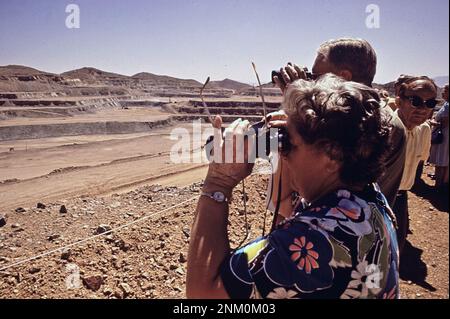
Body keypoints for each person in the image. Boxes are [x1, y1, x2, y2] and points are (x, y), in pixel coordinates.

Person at [186, 74, 399, 299]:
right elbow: (293, 206)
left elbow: (203, 295)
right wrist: (294, 128)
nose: (283, 154)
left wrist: (218, 182)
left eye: (290, 145)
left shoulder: (315, 239)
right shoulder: (369, 198)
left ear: (332, 155)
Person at [270, 38, 406, 222]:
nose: (312, 82)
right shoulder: (368, 116)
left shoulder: (378, 124)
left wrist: (300, 104)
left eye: (316, 76)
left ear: (343, 77)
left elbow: (313, 199)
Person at [391, 75, 438, 253]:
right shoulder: (385, 128)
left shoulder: (424, 130)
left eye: (430, 103)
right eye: (416, 101)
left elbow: (419, 162)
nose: (423, 108)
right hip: (380, 198)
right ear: (399, 101)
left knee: (397, 247)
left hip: (402, 197)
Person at [429, 84, 449, 189]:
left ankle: (438, 185)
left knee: (441, 160)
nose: (442, 92)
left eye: (445, 90)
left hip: (444, 136)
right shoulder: (446, 104)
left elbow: (444, 123)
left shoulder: (448, 106)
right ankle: (442, 182)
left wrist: (432, 121)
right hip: (445, 135)